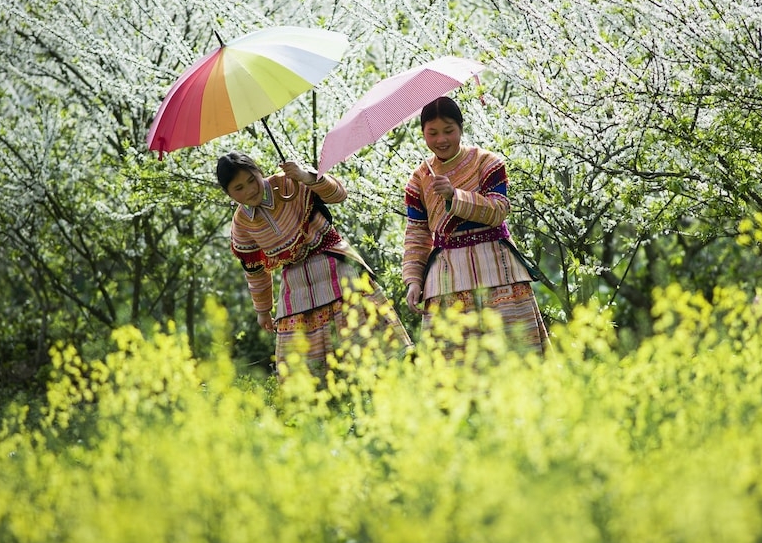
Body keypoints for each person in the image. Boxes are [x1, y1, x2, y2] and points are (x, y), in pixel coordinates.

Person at [217, 151, 413, 382]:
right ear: (229, 193)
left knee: (368, 344)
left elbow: (339, 194)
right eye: (239, 188)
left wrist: (306, 177)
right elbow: (255, 271)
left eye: (252, 180)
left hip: (335, 266)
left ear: (259, 173)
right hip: (297, 282)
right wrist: (263, 310)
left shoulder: (288, 182)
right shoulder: (241, 224)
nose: (250, 190)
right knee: (300, 370)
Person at [402, 96, 550, 357]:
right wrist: (413, 280)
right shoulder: (419, 179)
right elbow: (416, 233)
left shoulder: (487, 163)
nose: (441, 139)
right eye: (432, 133)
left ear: (460, 127)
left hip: (496, 266)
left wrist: (454, 196)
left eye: (449, 131)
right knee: (455, 364)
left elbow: (498, 211)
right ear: (423, 134)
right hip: (446, 275)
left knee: (512, 355)